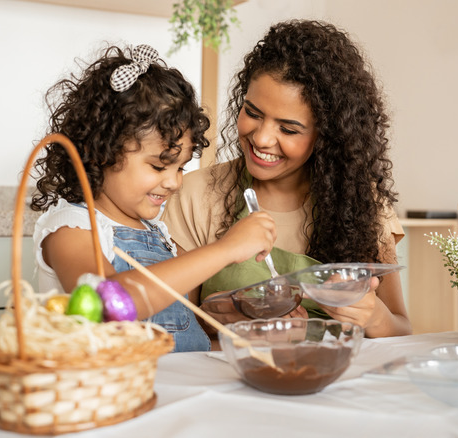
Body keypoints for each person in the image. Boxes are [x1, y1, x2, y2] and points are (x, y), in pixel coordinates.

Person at [162, 20, 412, 338]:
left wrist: (373, 316)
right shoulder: (197, 194)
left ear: (327, 136)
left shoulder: (364, 204)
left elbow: (403, 332)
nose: (263, 138)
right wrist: (217, 323)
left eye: (288, 129)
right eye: (252, 112)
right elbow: (170, 328)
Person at [30, 44, 277, 352]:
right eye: (159, 165)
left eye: (181, 167)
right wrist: (226, 249)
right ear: (100, 152)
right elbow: (108, 305)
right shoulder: (72, 229)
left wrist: (232, 326)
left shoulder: (160, 235)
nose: (174, 182)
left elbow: (186, 337)